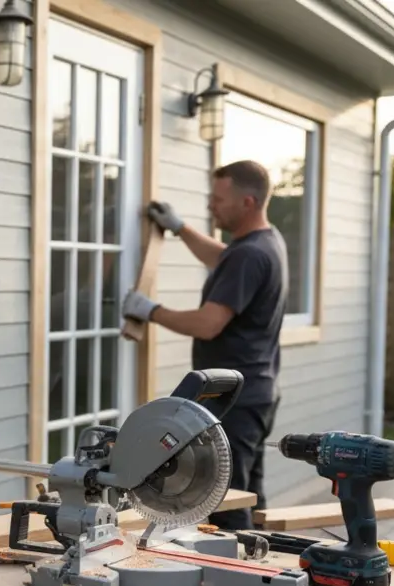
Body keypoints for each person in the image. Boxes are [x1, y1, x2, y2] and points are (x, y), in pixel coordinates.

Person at [121, 160, 288, 530]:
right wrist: (181, 229)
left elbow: (209, 324)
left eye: (218, 198)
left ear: (247, 202)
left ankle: (240, 575)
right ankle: (261, 559)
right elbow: (222, 258)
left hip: (235, 399)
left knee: (227, 499)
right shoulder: (263, 241)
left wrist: (151, 311)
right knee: (248, 490)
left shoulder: (249, 254)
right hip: (256, 391)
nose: (211, 205)